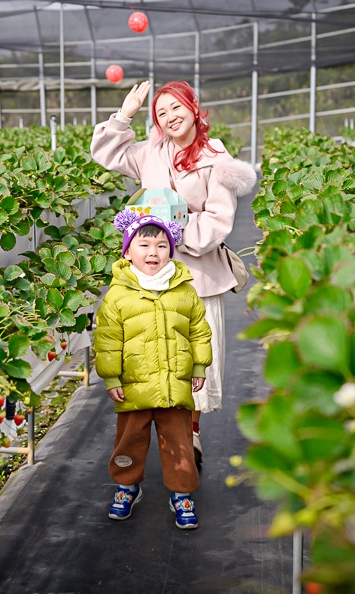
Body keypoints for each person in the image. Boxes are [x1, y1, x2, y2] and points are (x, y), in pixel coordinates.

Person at [90, 80, 256, 467]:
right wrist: (125, 114)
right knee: (154, 355)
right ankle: (154, 435)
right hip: (151, 272)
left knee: (192, 355)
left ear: (194, 108)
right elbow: (107, 154)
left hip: (197, 275)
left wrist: (173, 228)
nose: (170, 117)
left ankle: (189, 435)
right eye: (161, 112)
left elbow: (219, 221)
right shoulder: (151, 151)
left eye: (176, 107)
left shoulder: (216, 159)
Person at [94, 210, 212, 530]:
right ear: (127, 252)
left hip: (175, 384)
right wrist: (111, 376)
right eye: (144, 245)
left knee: (180, 442)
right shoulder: (118, 295)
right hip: (134, 386)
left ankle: (182, 493)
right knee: (129, 440)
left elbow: (199, 330)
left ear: (171, 252)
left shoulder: (184, 290)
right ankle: (127, 485)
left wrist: (199, 366)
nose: (153, 252)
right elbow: (107, 339)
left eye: (162, 246)